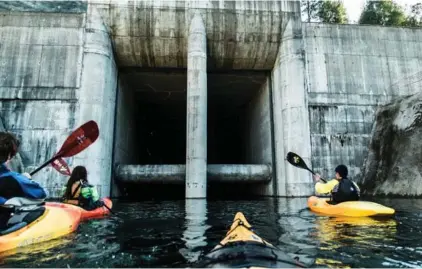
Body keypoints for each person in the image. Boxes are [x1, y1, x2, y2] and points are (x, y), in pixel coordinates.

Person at [0, 132, 48, 229]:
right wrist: (26, 179)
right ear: (9, 155)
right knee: (39, 209)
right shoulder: (14, 179)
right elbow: (42, 194)